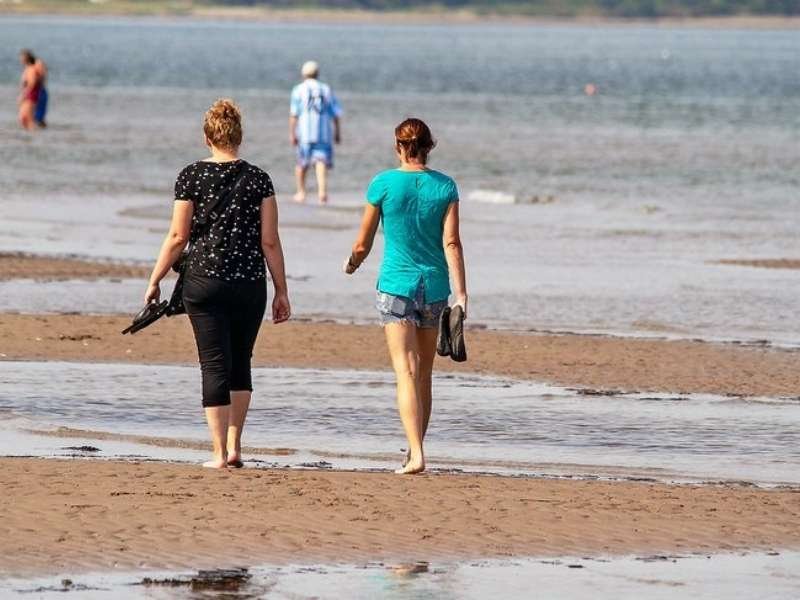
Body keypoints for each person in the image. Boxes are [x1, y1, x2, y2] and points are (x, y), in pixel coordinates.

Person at [144, 98, 291, 469]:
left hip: (204, 281)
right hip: (248, 284)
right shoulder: (259, 179)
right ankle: (236, 446)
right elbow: (270, 240)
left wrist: (155, 278)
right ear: (239, 136)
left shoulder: (191, 176)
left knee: (213, 364)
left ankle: (218, 453)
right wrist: (281, 290)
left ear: (207, 136)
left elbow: (178, 236)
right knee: (241, 362)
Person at [344, 118, 467, 475]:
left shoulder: (383, 183)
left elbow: (362, 244)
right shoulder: (446, 186)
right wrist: (462, 294)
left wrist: (352, 264)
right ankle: (417, 449)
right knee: (424, 373)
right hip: (435, 287)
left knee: (405, 372)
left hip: (396, 286)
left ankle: (415, 453)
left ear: (399, 146)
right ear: (429, 146)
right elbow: (452, 243)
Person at [289, 60, 342, 204]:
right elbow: (336, 113)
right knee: (321, 162)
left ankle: (301, 192)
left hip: (305, 133)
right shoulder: (326, 89)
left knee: (302, 163)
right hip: (323, 132)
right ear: (317, 73)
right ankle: (322, 192)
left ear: (303, 74)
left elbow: (294, 114)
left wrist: (292, 133)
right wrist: (337, 132)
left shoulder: (298, 89)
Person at [18, 49, 41, 131]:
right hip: (29, 94)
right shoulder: (28, 68)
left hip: (31, 95)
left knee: (28, 118)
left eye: (21, 57)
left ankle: (35, 136)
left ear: (26, 58)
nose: (20, 59)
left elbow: (32, 83)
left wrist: (23, 95)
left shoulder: (31, 69)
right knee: (23, 118)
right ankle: (30, 138)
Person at [33, 54, 48, 128]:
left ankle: (40, 133)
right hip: (40, 92)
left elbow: (37, 82)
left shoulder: (41, 74)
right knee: (38, 116)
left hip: (41, 92)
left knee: (39, 116)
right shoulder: (40, 73)